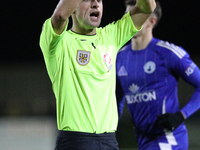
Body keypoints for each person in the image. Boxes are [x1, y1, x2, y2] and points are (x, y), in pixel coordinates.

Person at [39, 0, 156, 149]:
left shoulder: (111, 36)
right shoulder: (58, 43)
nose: (95, 4)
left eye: (99, 0)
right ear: (72, 8)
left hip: (109, 142)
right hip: (75, 142)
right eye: (87, 0)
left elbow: (148, 7)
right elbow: (60, 16)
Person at [116, 0, 200, 149]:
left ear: (151, 21)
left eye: (134, 15)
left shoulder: (168, 53)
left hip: (169, 138)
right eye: (126, 15)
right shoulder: (119, 57)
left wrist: (181, 116)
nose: (128, 20)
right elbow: (118, 98)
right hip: (143, 140)